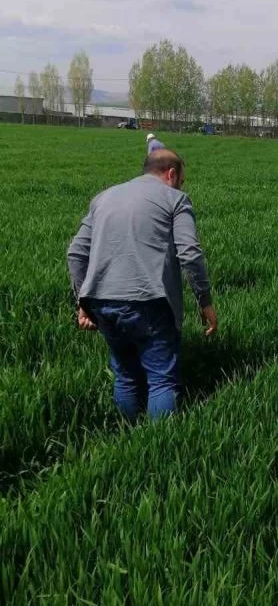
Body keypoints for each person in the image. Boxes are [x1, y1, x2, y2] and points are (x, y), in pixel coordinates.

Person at [67, 149, 217, 420]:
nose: (181, 186)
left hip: (102, 303)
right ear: (172, 174)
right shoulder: (176, 199)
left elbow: (75, 253)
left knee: (125, 373)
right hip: (150, 302)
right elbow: (190, 254)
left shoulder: (103, 197)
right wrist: (204, 301)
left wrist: (82, 302)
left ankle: (128, 437)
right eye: (181, 180)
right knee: (161, 380)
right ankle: (158, 449)